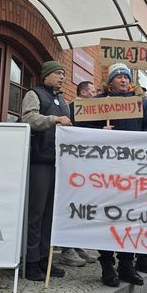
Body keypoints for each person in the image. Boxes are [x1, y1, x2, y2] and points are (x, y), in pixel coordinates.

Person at [78, 62, 147, 287]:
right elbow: (79, 129)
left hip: (132, 170)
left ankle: (126, 264)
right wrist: (99, 132)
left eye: (126, 77)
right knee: (107, 217)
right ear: (110, 81)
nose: (123, 80)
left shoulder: (140, 102)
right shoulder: (98, 103)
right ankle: (106, 265)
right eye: (119, 77)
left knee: (130, 218)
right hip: (105, 172)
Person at [21, 60, 72, 281]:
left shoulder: (63, 101)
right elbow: (29, 118)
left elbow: (71, 127)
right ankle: (31, 261)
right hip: (39, 161)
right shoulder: (34, 94)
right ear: (46, 76)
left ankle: (44, 258)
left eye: (63, 74)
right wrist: (54, 119)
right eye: (58, 73)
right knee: (36, 213)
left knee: (50, 215)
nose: (62, 77)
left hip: (57, 163)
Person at [59, 80, 97, 268]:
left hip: (87, 167)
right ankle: (67, 248)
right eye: (92, 91)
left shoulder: (97, 110)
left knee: (82, 206)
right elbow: (73, 132)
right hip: (73, 167)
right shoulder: (72, 108)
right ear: (83, 92)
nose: (95, 94)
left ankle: (77, 244)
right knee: (70, 205)